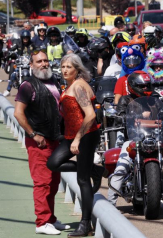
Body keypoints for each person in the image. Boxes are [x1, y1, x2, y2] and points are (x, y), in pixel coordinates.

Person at [47, 54, 107, 237]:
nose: (65, 70)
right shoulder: (71, 85)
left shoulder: (79, 86)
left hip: (85, 135)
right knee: (53, 163)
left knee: (82, 180)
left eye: (69, 67)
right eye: (63, 66)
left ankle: (85, 224)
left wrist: (78, 139)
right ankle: (94, 170)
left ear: (77, 69)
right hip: (72, 135)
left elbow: (90, 116)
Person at [13, 49, 69, 235]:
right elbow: (18, 113)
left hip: (55, 139)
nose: (44, 64)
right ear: (31, 65)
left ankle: (51, 219)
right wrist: (33, 134)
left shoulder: (54, 81)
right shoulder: (27, 85)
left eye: (46, 60)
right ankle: (42, 222)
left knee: (54, 182)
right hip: (39, 142)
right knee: (42, 182)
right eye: (39, 61)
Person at [107, 70, 154, 206]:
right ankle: (110, 204)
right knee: (121, 168)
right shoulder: (125, 99)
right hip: (133, 139)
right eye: (142, 86)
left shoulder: (154, 99)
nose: (145, 88)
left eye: (147, 85)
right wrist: (136, 116)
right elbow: (120, 116)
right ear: (133, 86)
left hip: (154, 139)